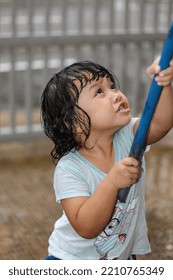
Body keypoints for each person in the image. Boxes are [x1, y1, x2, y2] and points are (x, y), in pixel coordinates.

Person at [41, 58, 173, 260]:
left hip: (119, 254)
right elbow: (86, 227)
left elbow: (161, 123)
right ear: (73, 122)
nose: (115, 94)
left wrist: (162, 85)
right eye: (99, 92)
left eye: (112, 87)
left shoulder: (128, 135)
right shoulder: (70, 169)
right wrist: (112, 182)